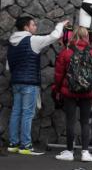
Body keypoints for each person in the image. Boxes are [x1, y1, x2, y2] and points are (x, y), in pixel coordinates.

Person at [6, 16, 69, 155]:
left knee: (16, 112)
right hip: (29, 83)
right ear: (26, 27)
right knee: (27, 114)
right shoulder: (32, 40)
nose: (35, 27)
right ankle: (26, 146)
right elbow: (54, 36)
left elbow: (8, 67)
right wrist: (60, 25)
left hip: (16, 82)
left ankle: (13, 144)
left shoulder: (12, 42)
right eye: (33, 25)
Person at [52, 26, 92, 162]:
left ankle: (69, 151)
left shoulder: (66, 52)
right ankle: (85, 152)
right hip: (87, 94)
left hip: (69, 92)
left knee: (70, 121)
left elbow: (58, 75)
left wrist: (57, 90)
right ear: (87, 37)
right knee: (85, 122)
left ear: (72, 36)